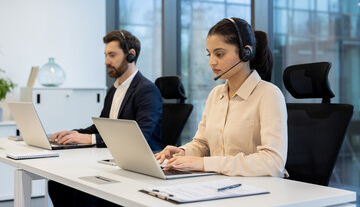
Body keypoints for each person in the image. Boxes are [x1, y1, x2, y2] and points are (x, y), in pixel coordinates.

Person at [156, 17, 288, 177]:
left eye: (219, 54)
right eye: (209, 54)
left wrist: (205, 164)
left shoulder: (269, 95)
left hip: (259, 190)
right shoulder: (215, 95)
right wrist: (183, 152)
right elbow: (202, 143)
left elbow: (272, 162)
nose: (212, 62)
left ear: (246, 52)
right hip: (219, 184)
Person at [48, 30, 163, 207]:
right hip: (112, 159)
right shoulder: (114, 90)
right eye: (106, 55)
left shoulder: (147, 90)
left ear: (130, 55)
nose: (106, 61)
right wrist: (74, 134)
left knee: (83, 193)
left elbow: (140, 136)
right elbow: (102, 126)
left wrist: (90, 139)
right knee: (57, 184)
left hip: (139, 166)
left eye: (112, 55)